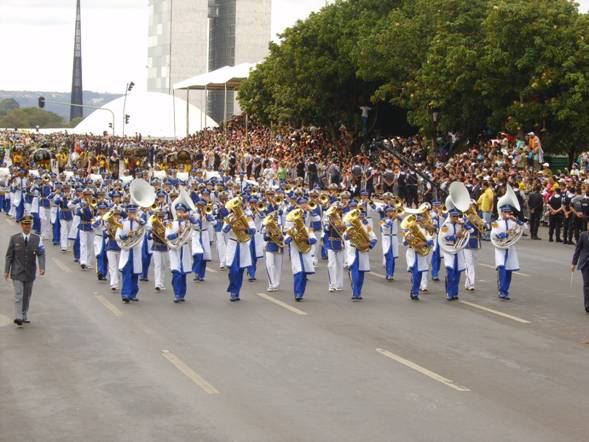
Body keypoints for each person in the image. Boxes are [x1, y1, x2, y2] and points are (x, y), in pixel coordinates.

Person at [4, 215, 46, 327]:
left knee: (26, 295)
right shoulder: (14, 238)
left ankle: (24, 314)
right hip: (17, 272)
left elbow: (41, 254)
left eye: (29, 224)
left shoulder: (37, 238)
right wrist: (6, 270)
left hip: (30, 272)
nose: (27, 226)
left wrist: (42, 267)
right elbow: (9, 256)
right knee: (19, 294)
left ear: (31, 225)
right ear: (21, 225)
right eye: (25, 224)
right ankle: (18, 316)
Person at [571, 226, 589, 313]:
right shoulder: (583, 235)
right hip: (585, 263)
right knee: (586, 283)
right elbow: (577, 249)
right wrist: (574, 263)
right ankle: (587, 305)